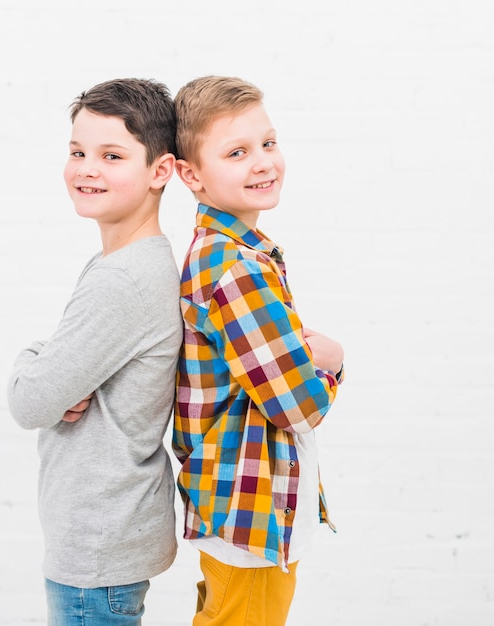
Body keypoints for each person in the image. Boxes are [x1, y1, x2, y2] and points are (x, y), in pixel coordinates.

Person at [7, 78, 182, 626]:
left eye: (111, 155)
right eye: (78, 152)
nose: (86, 168)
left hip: (96, 552)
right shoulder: (125, 265)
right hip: (106, 541)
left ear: (160, 171)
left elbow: (30, 402)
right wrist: (52, 360)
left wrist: (31, 361)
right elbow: (53, 381)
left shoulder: (124, 281)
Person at [172, 75, 345, 626]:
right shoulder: (237, 269)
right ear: (190, 174)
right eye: (237, 152)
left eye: (267, 143)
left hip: (238, 505)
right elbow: (298, 406)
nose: (263, 162)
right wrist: (333, 362)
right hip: (251, 510)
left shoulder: (228, 252)